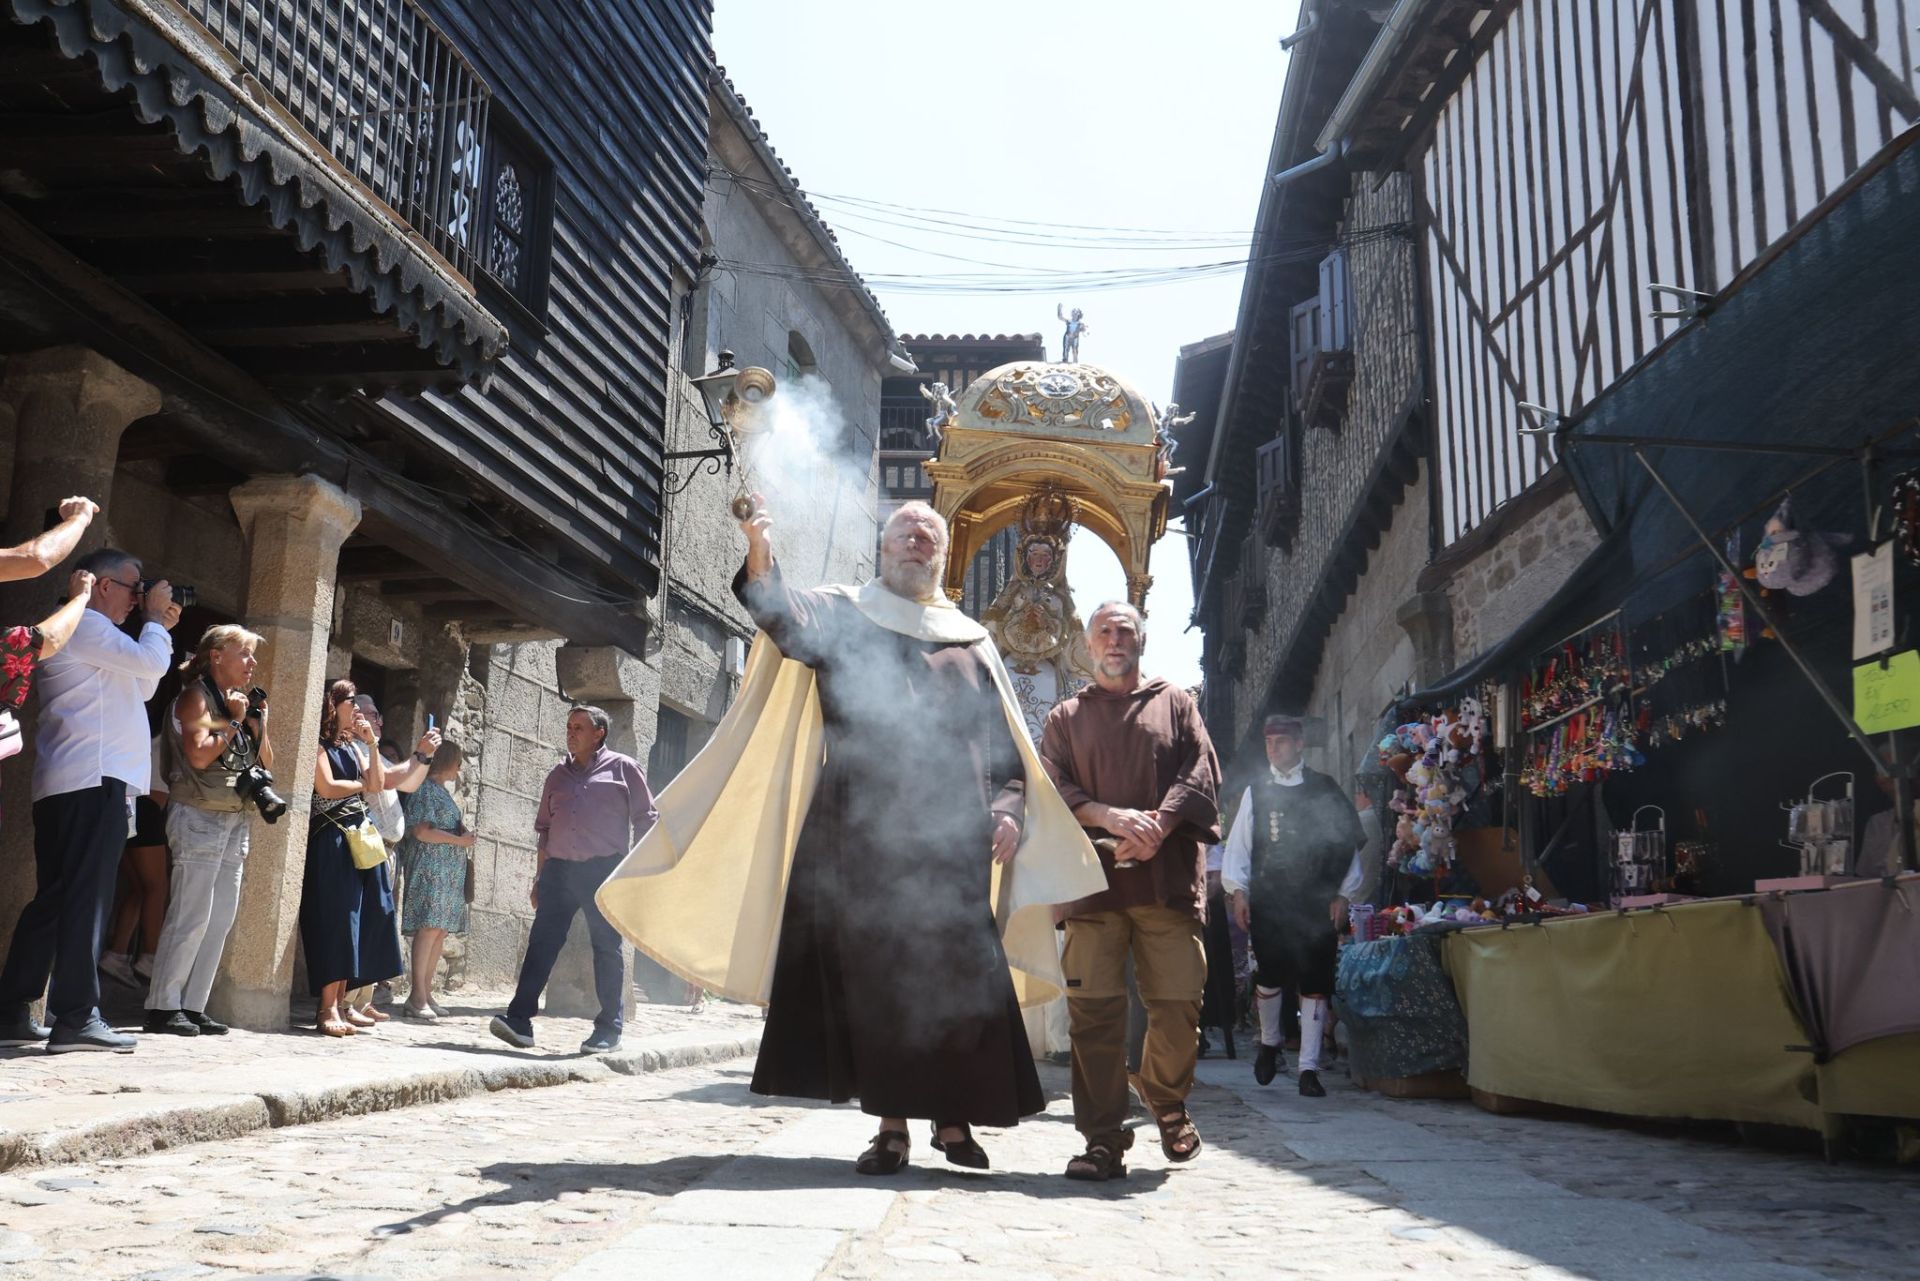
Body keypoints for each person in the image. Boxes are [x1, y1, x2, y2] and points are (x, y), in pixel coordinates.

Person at [598, 497, 1101, 1175]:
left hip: (949, 841)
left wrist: (1009, 810)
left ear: (942, 555)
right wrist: (759, 541)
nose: (917, 542)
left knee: (957, 984)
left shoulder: (971, 642)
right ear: (884, 549)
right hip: (859, 832)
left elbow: (1003, 751)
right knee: (879, 983)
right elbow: (781, 614)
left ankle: (952, 1121)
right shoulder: (843, 613)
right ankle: (892, 1127)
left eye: (928, 535)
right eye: (905, 532)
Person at [1040, 601, 1222, 1182]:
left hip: (1164, 882)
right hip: (1092, 886)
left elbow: (1200, 772)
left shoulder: (1175, 704)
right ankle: (1102, 1138)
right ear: (1087, 646)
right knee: (1093, 1016)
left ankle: (1165, 1099)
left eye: (1125, 632)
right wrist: (1110, 817)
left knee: (1177, 1005)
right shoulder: (1065, 717)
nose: (1115, 641)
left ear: (1140, 642)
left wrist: (1159, 826)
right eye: (1104, 633)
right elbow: (1051, 786)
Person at [0, 548, 179, 1053]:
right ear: (102, 586)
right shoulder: (89, 626)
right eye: (133, 587)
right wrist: (154, 622)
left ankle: (12, 1009)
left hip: (76, 780)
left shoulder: (97, 634)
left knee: (56, 900)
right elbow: (152, 664)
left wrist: (151, 626)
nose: (137, 598)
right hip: (91, 779)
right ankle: (76, 1015)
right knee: (86, 899)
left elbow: (146, 683)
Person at [489, 706, 654, 1055]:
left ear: (599, 734)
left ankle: (609, 1029)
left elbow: (646, 820)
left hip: (604, 870)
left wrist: (633, 874)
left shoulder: (623, 768)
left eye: (579, 727)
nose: (571, 732)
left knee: (606, 948)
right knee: (541, 944)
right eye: (568, 726)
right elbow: (545, 830)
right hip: (558, 871)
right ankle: (520, 1020)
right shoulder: (557, 775)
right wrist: (539, 877)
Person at [142, 625, 275, 1036]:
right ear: (217, 655)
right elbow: (199, 756)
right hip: (199, 815)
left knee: (219, 918)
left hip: (234, 818)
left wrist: (257, 725)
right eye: (245, 654)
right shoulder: (194, 697)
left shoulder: (239, 703)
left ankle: (193, 1005)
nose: (252, 663)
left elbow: (267, 763)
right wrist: (233, 721)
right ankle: (163, 1005)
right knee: (190, 913)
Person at [1222, 714, 1366, 1096]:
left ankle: (1309, 1068)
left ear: (1299, 744)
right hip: (1270, 898)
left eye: (1281, 742)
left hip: (1317, 899)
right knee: (1269, 974)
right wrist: (1239, 891)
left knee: (1316, 980)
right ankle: (1270, 1043)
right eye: (1269, 742)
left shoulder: (1325, 788)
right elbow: (1240, 846)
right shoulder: (1257, 790)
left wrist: (1344, 894)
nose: (1274, 748)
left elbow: (1347, 843)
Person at [300, 680, 402, 1037]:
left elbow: (378, 781)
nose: (356, 707)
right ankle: (326, 1007)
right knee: (338, 920)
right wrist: (362, 785)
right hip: (332, 840)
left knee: (361, 920)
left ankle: (342, 1002)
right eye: (349, 700)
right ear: (333, 704)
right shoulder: (319, 744)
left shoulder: (352, 746)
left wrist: (371, 743)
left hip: (360, 839)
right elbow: (326, 787)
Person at [343, 697, 438, 1018]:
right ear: (355, 717)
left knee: (377, 924)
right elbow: (390, 779)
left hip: (386, 849)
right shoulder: (354, 749)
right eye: (373, 714)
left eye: (379, 714)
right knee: (363, 922)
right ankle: (348, 1000)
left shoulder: (375, 753)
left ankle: (363, 999)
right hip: (368, 846)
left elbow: (409, 781)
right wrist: (420, 754)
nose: (379, 721)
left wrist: (423, 758)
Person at [397, 742, 474, 1021]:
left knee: (438, 932)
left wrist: (461, 832)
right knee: (429, 930)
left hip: (446, 872)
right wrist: (459, 840)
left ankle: (426, 993)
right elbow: (422, 832)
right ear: (448, 761)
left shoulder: (441, 792)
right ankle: (417, 996)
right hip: (430, 869)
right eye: (457, 762)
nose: (460, 768)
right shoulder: (425, 789)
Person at [100, 739, 168, 993]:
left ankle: (117, 954)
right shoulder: (174, 725)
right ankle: (150, 957)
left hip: (131, 804)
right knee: (156, 888)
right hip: (147, 808)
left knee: (140, 888)